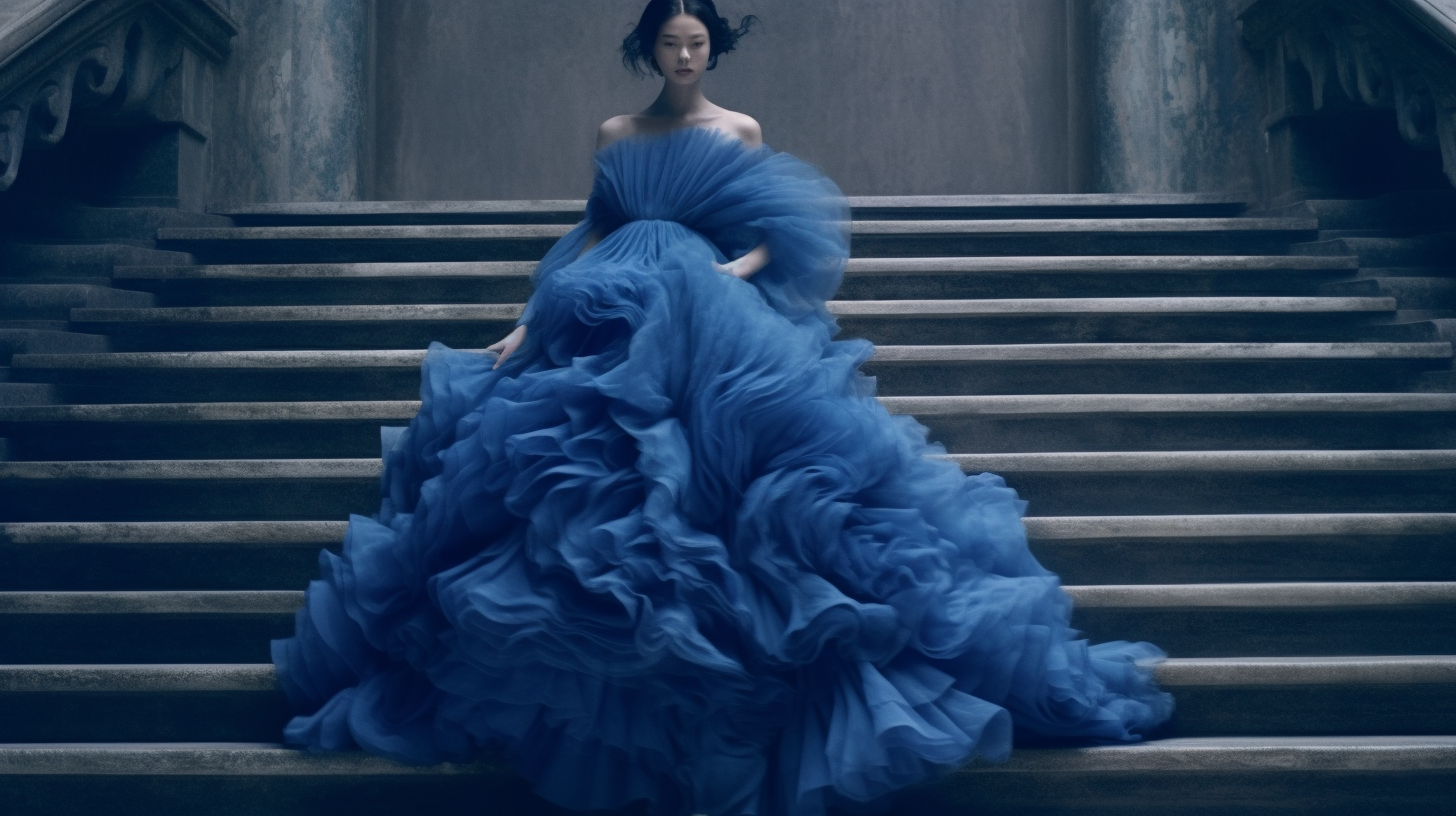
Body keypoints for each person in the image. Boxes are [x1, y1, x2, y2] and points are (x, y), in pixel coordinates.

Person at [271, 2, 1174, 815]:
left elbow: (774, 234)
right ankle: (616, 682)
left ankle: (723, 688)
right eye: (670, 42)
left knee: (708, 476)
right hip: (605, 298)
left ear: (714, 48)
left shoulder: (738, 129)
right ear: (649, 49)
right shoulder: (617, 130)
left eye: (697, 42)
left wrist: (725, 276)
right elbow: (591, 230)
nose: (684, 55)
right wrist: (527, 321)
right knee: (581, 470)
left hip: (706, 309)